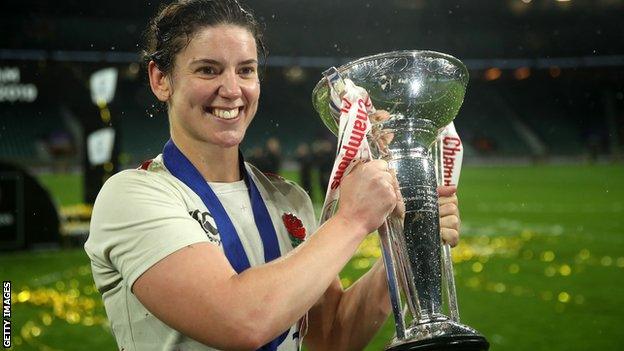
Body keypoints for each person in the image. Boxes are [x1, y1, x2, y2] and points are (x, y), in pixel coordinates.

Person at [84, 1, 462, 350]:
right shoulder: (133, 196)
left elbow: (331, 338)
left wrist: (406, 247)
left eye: (245, 70)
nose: (232, 90)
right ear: (160, 80)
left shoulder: (287, 198)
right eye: (208, 69)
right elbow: (240, 320)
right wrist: (353, 219)